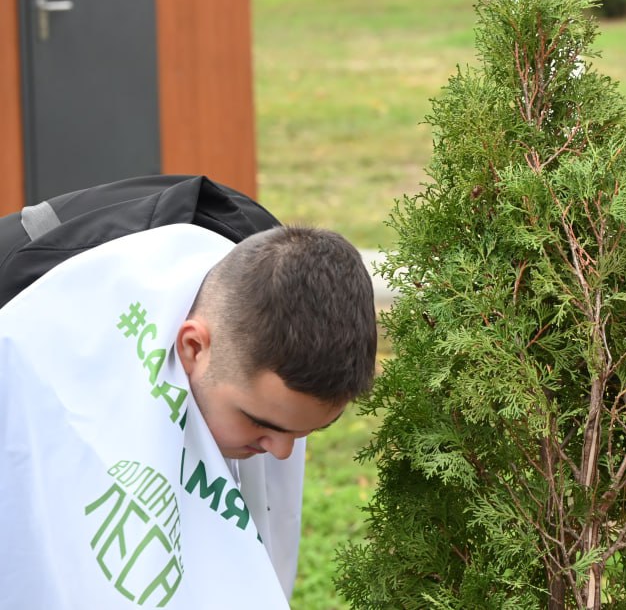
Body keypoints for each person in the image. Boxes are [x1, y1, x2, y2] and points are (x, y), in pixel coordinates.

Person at [0, 221, 377, 609]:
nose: (282, 452)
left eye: (311, 431)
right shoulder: (32, 359)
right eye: (261, 423)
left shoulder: (273, 302)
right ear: (194, 347)